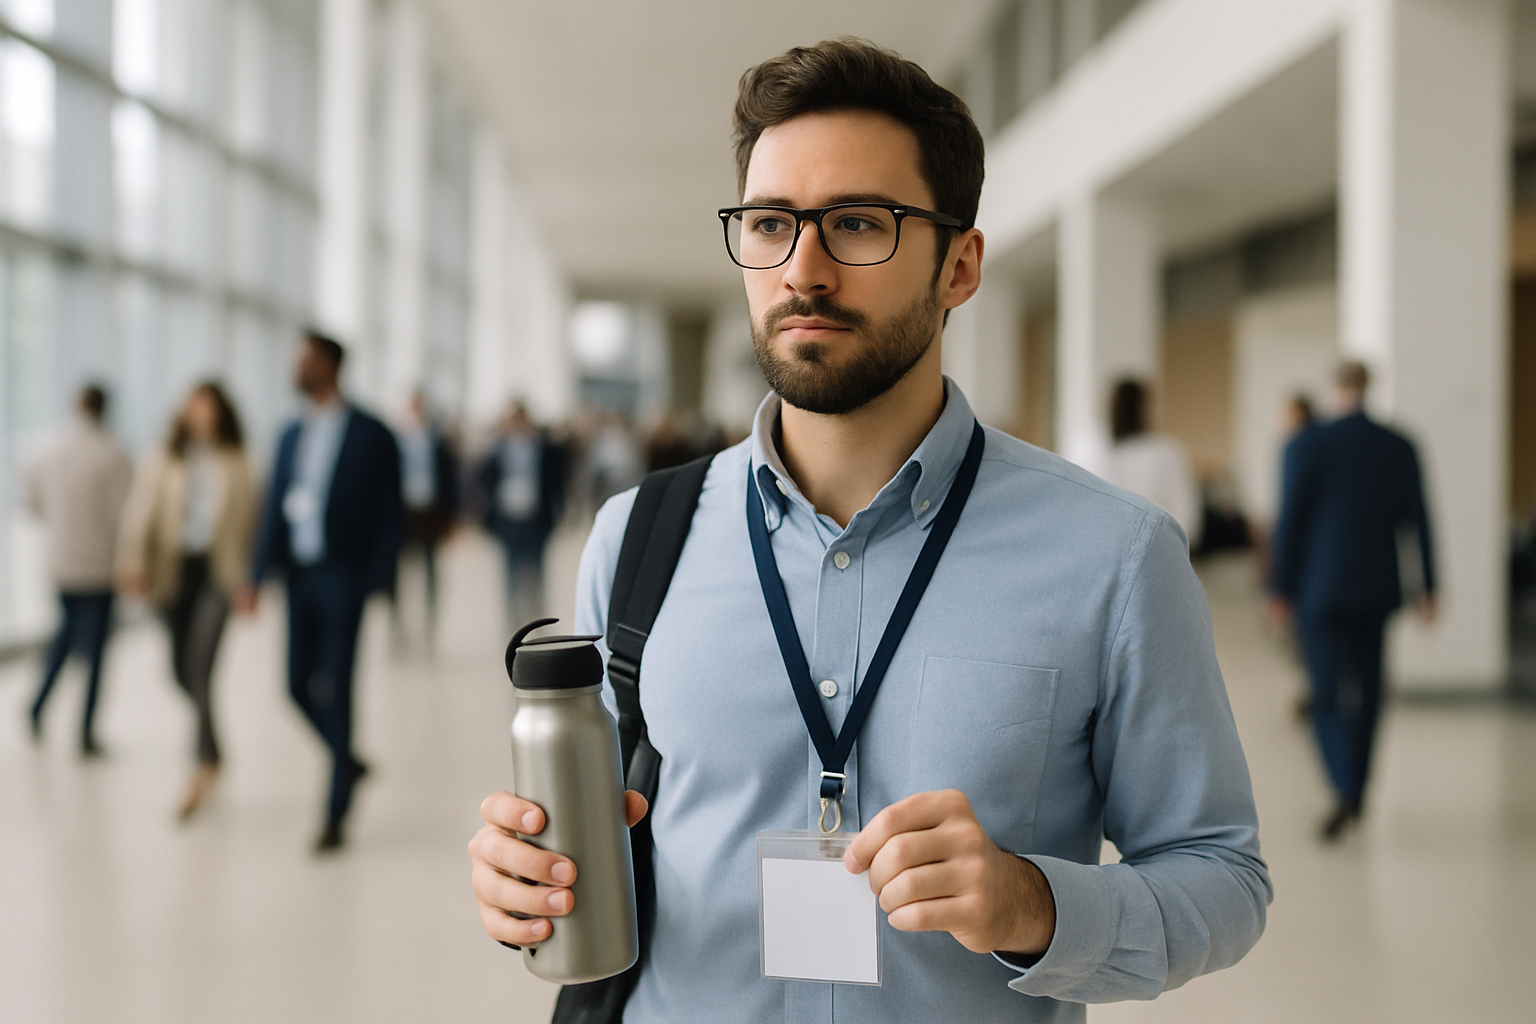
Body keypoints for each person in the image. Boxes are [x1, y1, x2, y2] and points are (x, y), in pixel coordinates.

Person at [469, 39, 1270, 1022]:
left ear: (960, 266)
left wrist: (1034, 902)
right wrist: (527, 888)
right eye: (770, 224)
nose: (803, 269)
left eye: (858, 224)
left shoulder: (1113, 557)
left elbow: (1223, 879)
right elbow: (593, 856)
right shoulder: (637, 539)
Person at [241, 331, 404, 853]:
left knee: (338, 687)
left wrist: (377, 579)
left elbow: (388, 513)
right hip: (299, 576)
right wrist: (254, 576)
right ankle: (347, 760)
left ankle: (334, 813)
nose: (298, 367)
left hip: (344, 574)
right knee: (293, 686)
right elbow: (274, 511)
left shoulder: (372, 433)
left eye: (306, 359)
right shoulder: (289, 433)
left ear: (330, 366)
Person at [1267, 360, 1436, 841]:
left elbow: (1290, 521)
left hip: (1319, 589)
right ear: (1368, 386)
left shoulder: (1306, 443)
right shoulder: (1399, 445)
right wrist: (1428, 585)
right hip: (1377, 587)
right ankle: (1357, 787)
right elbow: (1419, 518)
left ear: (1333, 388)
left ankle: (1342, 787)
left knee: (1324, 693)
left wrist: (1279, 589)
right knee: (1369, 691)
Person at [117, 382, 256, 818]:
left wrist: (251, 581)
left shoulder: (238, 461)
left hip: (218, 573)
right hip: (172, 573)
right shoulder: (162, 458)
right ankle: (214, 751)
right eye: (195, 406)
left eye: (210, 407)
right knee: (180, 671)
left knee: (200, 668)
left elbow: (251, 522)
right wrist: (131, 562)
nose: (202, 414)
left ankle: (201, 763)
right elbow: (140, 512)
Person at [24, 384, 133, 756]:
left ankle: (38, 706)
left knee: (65, 637)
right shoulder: (113, 455)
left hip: (61, 562)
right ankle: (85, 731)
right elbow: (125, 515)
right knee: (96, 652)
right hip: (100, 567)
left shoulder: (46, 450)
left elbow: (32, 503)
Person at [477, 401, 565, 630]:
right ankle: (514, 624)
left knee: (536, 574)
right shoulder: (498, 448)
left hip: (536, 519)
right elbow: (485, 479)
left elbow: (556, 481)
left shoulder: (542, 446)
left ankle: (538, 622)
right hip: (508, 520)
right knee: (510, 575)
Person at [1086, 378, 1202, 550]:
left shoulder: (1166, 452)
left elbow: (1187, 519)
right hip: (1113, 549)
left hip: (1153, 550)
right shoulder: (1092, 448)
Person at [394, 391, 460, 653]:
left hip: (430, 514)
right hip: (405, 516)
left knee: (431, 574)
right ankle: (399, 632)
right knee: (401, 577)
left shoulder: (437, 441)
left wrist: (450, 518)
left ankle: (430, 630)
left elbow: (449, 480)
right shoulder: (397, 442)